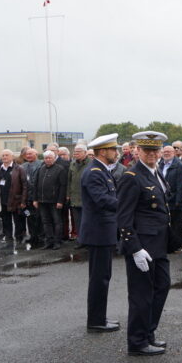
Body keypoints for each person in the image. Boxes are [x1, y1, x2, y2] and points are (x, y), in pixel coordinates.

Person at [118, 131, 173, 357]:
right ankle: (137, 342)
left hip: (158, 244)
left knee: (162, 286)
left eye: (155, 150)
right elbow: (123, 217)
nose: (152, 154)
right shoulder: (131, 176)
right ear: (137, 151)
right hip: (142, 246)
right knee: (141, 295)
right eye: (147, 150)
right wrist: (135, 249)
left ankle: (148, 332)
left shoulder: (155, 171)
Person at [80, 134, 122, 334]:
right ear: (103, 151)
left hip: (103, 231)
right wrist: (127, 206)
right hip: (99, 232)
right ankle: (96, 321)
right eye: (114, 150)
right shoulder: (94, 172)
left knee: (103, 276)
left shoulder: (101, 170)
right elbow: (102, 200)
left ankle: (99, 317)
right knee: (99, 278)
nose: (117, 153)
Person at [33, 149, 68, 249]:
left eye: (50, 158)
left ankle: (57, 241)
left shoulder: (60, 169)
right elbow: (35, 185)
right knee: (46, 222)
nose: (48, 160)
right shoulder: (41, 169)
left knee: (57, 221)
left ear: (54, 158)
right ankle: (49, 241)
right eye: (46, 158)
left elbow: (63, 186)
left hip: (54, 201)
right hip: (42, 201)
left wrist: (60, 201)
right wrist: (35, 199)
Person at [0, 149, 28, 250]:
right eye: (3, 155)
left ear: (12, 157)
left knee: (18, 222)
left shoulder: (19, 169)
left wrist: (23, 201)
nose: (4, 157)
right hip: (3, 201)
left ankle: (19, 239)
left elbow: (25, 186)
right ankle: (8, 240)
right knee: (6, 222)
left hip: (16, 201)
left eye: (7, 155)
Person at [158, 144, 182, 253]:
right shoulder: (160, 164)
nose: (166, 153)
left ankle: (177, 245)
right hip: (162, 199)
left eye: (169, 151)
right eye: (165, 151)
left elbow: (180, 185)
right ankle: (167, 244)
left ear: (174, 153)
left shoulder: (178, 165)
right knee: (165, 223)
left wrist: (179, 201)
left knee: (176, 224)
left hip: (174, 199)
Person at [21, 147, 44, 248]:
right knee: (28, 216)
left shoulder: (41, 164)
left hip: (36, 198)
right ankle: (32, 236)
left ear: (36, 154)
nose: (28, 156)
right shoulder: (23, 166)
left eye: (31, 154)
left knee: (38, 218)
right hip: (26, 198)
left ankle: (40, 237)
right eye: (27, 154)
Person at [66, 144, 89, 245]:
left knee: (87, 222)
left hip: (86, 199)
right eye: (75, 152)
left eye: (78, 151)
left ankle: (90, 240)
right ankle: (81, 241)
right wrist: (68, 194)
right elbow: (69, 181)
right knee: (77, 221)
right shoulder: (73, 164)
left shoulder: (91, 164)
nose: (76, 154)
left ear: (85, 152)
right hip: (74, 198)